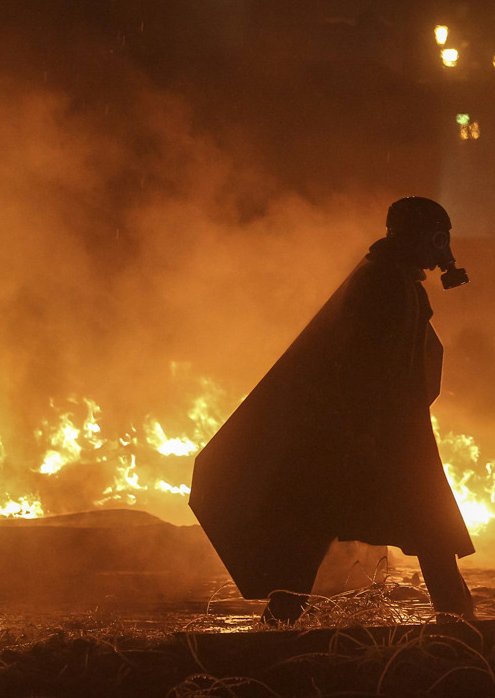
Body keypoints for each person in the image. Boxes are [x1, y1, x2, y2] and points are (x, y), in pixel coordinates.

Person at [189, 196, 476, 624]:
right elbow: (363, 365)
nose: (441, 250)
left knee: (342, 523)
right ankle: (460, 626)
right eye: (436, 238)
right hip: (374, 435)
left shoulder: (391, 280)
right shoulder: (383, 284)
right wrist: (364, 433)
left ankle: (282, 619)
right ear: (415, 237)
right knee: (420, 526)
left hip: (381, 433)